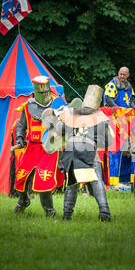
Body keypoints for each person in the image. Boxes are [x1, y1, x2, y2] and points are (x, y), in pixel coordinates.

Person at [45, 85, 114, 221]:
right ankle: (104, 212)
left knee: (72, 184)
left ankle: (67, 215)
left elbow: (58, 130)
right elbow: (108, 142)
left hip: (71, 151)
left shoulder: (69, 114)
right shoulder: (100, 117)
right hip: (89, 150)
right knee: (96, 181)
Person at [13, 76, 58, 217]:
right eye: (42, 92)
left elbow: (65, 126)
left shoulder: (57, 106)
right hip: (32, 148)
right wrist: (20, 138)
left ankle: (50, 211)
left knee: (43, 179)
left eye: (46, 92)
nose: (44, 94)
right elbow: (21, 125)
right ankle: (23, 200)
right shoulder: (28, 106)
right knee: (21, 176)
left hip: (48, 148)